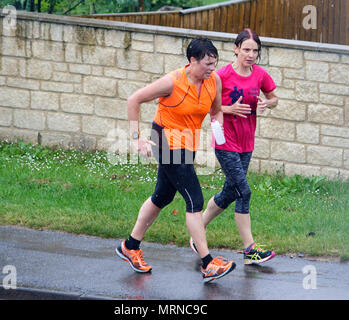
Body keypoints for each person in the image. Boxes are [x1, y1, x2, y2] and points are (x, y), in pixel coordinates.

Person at [116, 37, 236, 283]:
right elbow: (134, 100)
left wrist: (219, 133)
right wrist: (136, 138)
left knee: (163, 196)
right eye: (207, 63)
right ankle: (208, 262)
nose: (212, 68)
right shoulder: (173, 81)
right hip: (165, 141)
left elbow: (215, 111)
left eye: (214, 63)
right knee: (195, 199)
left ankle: (130, 246)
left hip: (187, 143)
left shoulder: (214, 81)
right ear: (192, 61)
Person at [190, 29, 278, 265]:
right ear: (236, 49)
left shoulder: (259, 75)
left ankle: (198, 232)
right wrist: (229, 109)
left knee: (230, 192)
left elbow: (274, 98)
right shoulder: (221, 75)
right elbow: (209, 107)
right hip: (225, 141)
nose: (251, 54)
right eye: (246, 49)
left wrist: (267, 103)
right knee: (244, 191)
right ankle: (250, 249)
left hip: (246, 141)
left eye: (255, 50)